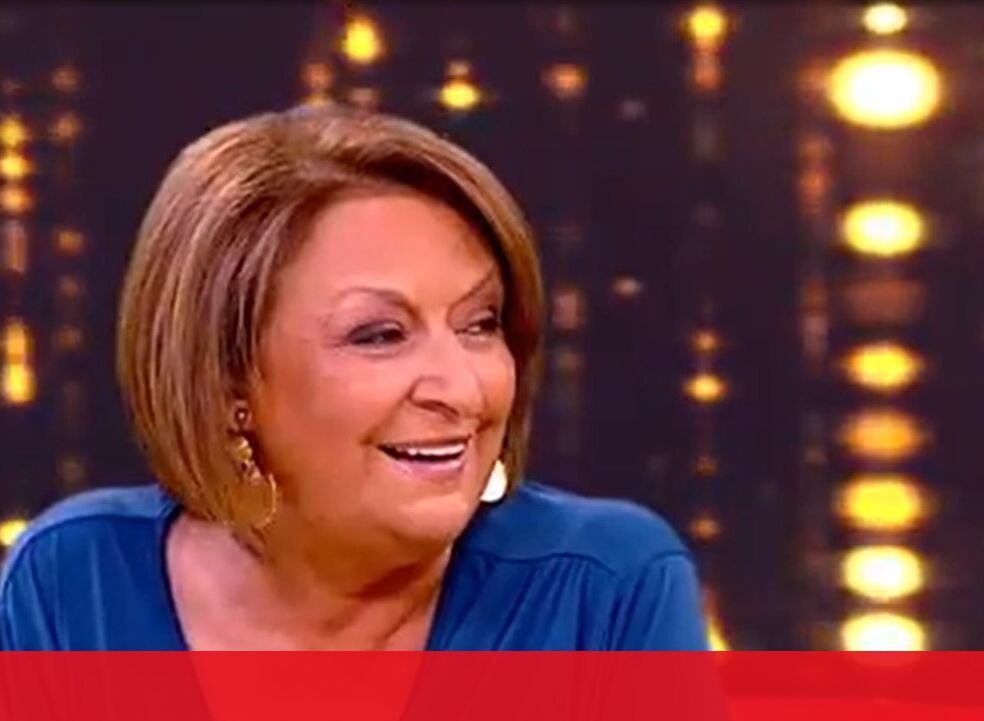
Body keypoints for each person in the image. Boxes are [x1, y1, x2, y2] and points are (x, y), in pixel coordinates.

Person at [0, 105, 710, 651]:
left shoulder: (605, 590)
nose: (463, 390)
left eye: (480, 324)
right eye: (380, 335)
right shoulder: (73, 586)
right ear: (226, 382)